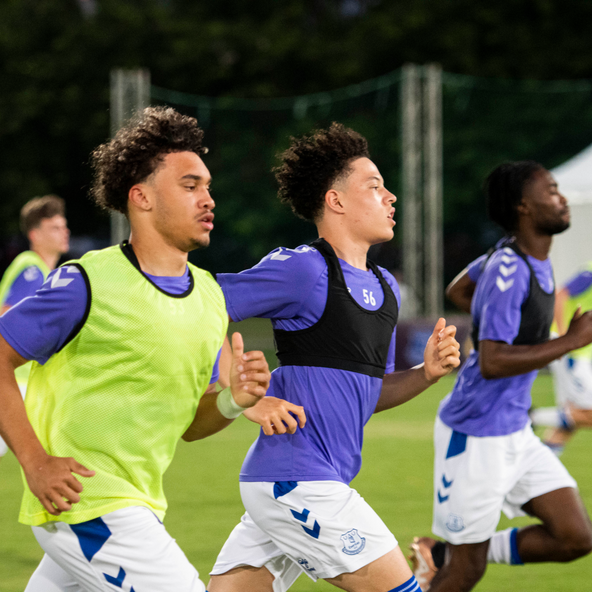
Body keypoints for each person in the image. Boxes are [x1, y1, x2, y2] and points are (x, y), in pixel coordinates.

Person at [0, 106, 274, 592]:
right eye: (190, 186)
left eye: (208, 186)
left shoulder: (210, 297)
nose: (208, 199)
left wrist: (234, 399)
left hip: (137, 500)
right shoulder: (85, 283)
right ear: (141, 197)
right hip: (89, 503)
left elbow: (190, 425)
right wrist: (36, 463)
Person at [207, 123, 461, 592]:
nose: (391, 197)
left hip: (305, 482)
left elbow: (366, 394)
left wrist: (425, 374)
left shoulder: (386, 288)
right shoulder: (303, 268)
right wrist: (243, 397)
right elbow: (199, 305)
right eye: (374, 185)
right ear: (336, 201)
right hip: (297, 483)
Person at [409, 161, 592, 592]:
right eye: (551, 190)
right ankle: (451, 557)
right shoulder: (509, 269)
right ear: (524, 207)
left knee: (575, 537)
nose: (561, 198)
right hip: (474, 434)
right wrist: (571, 339)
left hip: (515, 431)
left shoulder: (515, 257)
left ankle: (441, 553)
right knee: (466, 572)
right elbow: (492, 361)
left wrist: (494, 306)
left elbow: (458, 290)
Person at [0, 195, 70, 461]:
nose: (64, 232)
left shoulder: (43, 271)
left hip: (21, 381)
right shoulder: (32, 269)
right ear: (34, 234)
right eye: (54, 227)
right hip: (13, 381)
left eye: (64, 226)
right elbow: (7, 317)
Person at [529, 265, 592, 455]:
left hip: (580, 354)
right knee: (586, 413)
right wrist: (566, 337)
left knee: (569, 422)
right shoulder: (589, 274)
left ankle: (538, 475)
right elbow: (560, 295)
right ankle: (530, 417)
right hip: (573, 354)